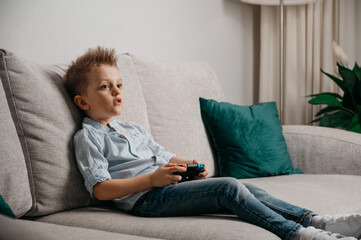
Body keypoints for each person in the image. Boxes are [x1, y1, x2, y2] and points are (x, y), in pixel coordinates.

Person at [63, 46, 361, 240]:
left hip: (169, 186)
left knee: (248, 187)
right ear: (82, 101)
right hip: (144, 200)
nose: (116, 91)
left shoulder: (133, 128)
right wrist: (152, 179)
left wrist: (189, 165)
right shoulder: (87, 137)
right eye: (105, 87)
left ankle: (320, 222)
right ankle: (301, 235)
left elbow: (165, 157)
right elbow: (101, 189)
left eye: (119, 85)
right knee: (228, 187)